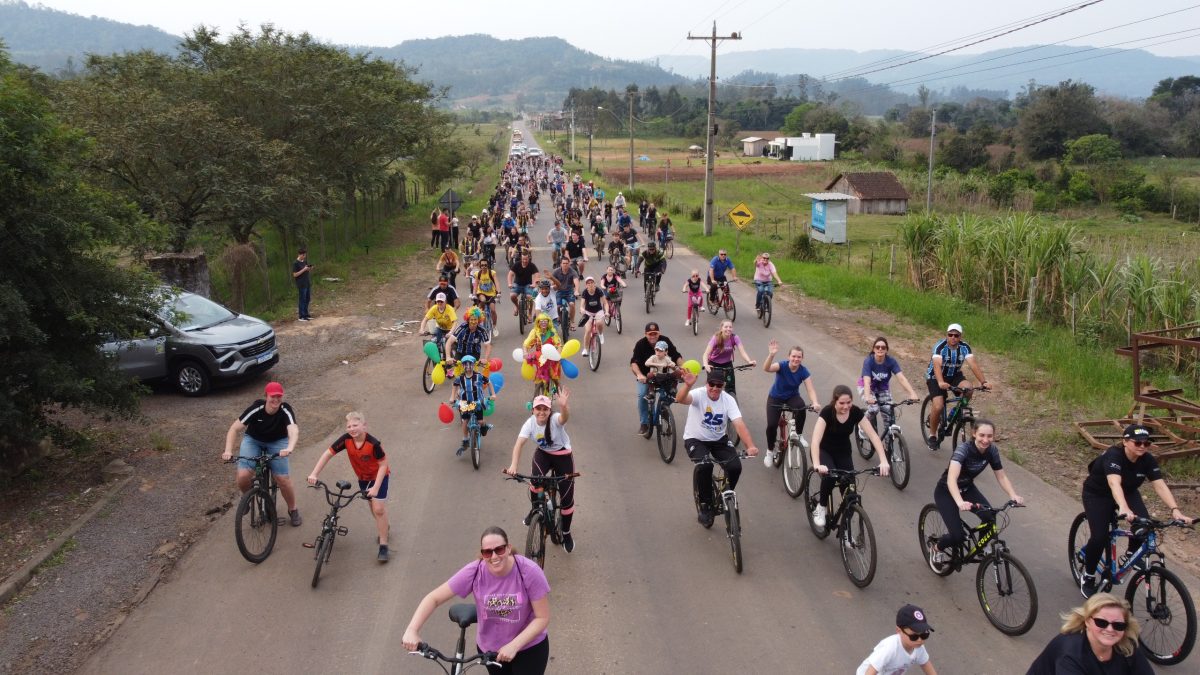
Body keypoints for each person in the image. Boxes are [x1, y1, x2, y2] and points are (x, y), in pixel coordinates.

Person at [402, 526, 551, 674]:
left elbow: (542, 618)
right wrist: (412, 630)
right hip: (492, 651)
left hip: (529, 648)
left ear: (508, 548)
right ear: (482, 554)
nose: (494, 557)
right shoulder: (474, 572)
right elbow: (433, 598)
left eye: (499, 549)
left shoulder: (528, 571)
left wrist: (514, 645)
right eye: (487, 552)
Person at [1078, 423, 1194, 597]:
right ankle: (1088, 576)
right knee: (1100, 536)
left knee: (1144, 526)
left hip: (1128, 491)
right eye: (1137, 443)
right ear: (1125, 441)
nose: (1142, 447)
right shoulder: (1114, 455)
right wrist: (1123, 508)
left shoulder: (1147, 459)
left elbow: (1160, 485)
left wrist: (1175, 510)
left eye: (1146, 443)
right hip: (1098, 494)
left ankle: (1131, 555)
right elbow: (1113, 483)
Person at [928, 419, 1024, 570]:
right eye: (982, 435)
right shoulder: (963, 450)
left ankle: (981, 549)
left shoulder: (992, 451)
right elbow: (951, 479)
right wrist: (959, 502)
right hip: (946, 491)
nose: (986, 440)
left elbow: (1001, 476)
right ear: (974, 434)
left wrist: (1013, 495)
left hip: (967, 488)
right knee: (957, 536)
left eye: (989, 436)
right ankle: (937, 549)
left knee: (989, 517)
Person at [675, 368, 759, 527]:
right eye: (711, 384)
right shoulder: (698, 394)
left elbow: (739, 424)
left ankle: (724, 495)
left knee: (735, 466)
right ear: (707, 384)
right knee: (705, 465)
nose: (714, 388)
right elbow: (680, 399)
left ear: (723, 386)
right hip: (695, 439)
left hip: (718, 439)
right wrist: (687, 386)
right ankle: (706, 505)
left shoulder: (728, 400)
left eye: (718, 385)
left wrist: (751, 446)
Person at [306, 411, 391, 562]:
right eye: (349, 426)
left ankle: (383, 545)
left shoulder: (373, 444)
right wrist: (314, 474)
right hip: (363, 479)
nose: (352, 429)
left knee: (378, 509)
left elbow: (383, 464)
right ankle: (384, 524)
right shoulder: (346, 440)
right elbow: (328, 454)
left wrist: (376, 487)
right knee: (373, 507)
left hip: (379, 477)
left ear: (364, 426)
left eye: (355, 425)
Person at [505, 390, 577, 553]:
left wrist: (564, 407)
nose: (541, 412)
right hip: (543, 454)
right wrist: (513, 466)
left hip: (562, 456)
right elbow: (518, 445)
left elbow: (564, 418)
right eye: (538, 408)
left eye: (545, 409)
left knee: (567, 499)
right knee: (535, 481)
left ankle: (566, 533)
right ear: (533, 410)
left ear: (550, 411)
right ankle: (535, 509)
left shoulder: (555, 420)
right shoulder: (529, 423)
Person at [221, 382, 301, 526]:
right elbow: (234, 429)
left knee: (282, 478)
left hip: (278, 442)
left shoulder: (285, 409)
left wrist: (290, 447)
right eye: (272, 396)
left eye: (279, 396)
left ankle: (293, 509)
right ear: (266, 396)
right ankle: (247, 497)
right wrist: (228, 450)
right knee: (243, 476)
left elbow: (293, 430)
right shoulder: (256, 408)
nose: (276, 400)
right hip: (254, 440)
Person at [809, 385, 889, 528]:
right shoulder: (827, 412)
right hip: (824, 451)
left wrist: (883, 461)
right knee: (831, 476)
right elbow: (815, 441)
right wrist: (816, 464)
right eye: (842, 403)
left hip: (843, 452)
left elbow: (873, 436)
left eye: (849, 402)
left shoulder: (855, 412)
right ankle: (821, 507)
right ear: (834, 401)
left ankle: (846, 531)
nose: (846, 406)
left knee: (851, 495)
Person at [1026, 593, 1153, 674]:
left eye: (1118, 625)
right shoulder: (1071, 654)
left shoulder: (1126, 646)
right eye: (1101, 622)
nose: (1110, 629)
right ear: (1087, 621)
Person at [924, 323, 989, 450]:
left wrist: (983, 382)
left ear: (960, 336)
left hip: (954, 375)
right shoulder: (940, 347)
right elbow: (937, 365)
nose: (953, 337)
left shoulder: (965, 348)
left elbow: (973, 365)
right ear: (946, 335)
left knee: (969, 389)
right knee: (938, 405)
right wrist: (941, 382)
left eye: (956, 335)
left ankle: (954, 413)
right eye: (950, 335)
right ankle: (932, 435)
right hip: (935, 377)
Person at [763, 340, 820, 467]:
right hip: (775, 397)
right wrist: (771, 355)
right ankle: (769, 451)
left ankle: (798, 435)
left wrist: (815, 402)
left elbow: (810, 389)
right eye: (793, 356)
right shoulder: (782, 365)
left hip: (792, 397)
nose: (796, 359)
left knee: (801, 408)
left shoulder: (803, 371)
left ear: (802, 358)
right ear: (789, 356)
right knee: (772, 425)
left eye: (799, 357)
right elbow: (766, 368)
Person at [630, 322, 684, 437]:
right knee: (642, 395)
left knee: (670, 395)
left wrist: (683, 368)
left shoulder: (665, 341)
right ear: (646, 334)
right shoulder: (640, 344)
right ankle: (644, 423)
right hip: (647, 377)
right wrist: (640, 375)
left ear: (659, 333)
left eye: (655, 333)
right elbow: (634, 363)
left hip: (664, 377)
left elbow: (676, 356)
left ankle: (663, 412)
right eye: (650, 334)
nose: (653, 336)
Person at [859, 337, 920, 436]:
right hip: (867, 388)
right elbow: (867, 381)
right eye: (877, 347)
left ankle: (888, 448)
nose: (880, 349)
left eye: (883, 347)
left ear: (886, 350)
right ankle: (862, 424)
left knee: (889, 415)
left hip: (882, 388)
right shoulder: (869, 361)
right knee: (874, 409)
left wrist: (912, 393)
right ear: (874, 349)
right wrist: (868, 396)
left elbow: (901, 378)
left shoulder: (891, 361)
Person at [856, 604, 938, 675]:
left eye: (924, 635)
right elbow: (871, 670)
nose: (920, 640)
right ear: (899, 631)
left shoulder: (918, 647)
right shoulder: (890, 648)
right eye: (914, 636)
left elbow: (926, 665)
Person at [449, 355, 495, 457]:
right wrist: (452, 397)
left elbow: (489, 382)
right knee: (464, 421)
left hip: (477, 402)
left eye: (470, 364)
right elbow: (454, 386)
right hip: (465, 403)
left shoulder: (479, 376)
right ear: (463, 366)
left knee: (480, 421)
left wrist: (493, 394)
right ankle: (465, 439)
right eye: (465, 364)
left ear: (473, 365)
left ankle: (484, 426)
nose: (468, 366)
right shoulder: (460, 378)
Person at [701, 321, 756, 397]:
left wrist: (749, 361)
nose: (728, 329)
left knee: (730, 387)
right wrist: (706, 364)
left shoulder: (734, 338)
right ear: (721, 329)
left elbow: (742, 352)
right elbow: (706, 354)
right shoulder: (716, 338)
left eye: (730, 327)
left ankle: (731, 403)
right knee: (713, 386)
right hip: (713, 364)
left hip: (727, 364)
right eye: (726, 327)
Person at [549, 256, 580, 329]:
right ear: (561, 264)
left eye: (567, 263)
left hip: (569, 292)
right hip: (559, 291)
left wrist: (576, 290)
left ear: (569, 264)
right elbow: (552, 281)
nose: (565, 265)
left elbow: (576, 281)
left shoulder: (573, 271)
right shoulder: (556, 271)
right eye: (563, 263)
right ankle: (559, 317)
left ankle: (572, 321)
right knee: (558, 306)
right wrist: (552, 286)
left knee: (572, 305)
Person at [576, 277, 606, 355]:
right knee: (588, 330)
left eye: (592, 283)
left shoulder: (599, 291)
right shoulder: (585, 292)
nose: (590, 284)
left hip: (598, 311)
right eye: (588, 283)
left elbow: (605, 303)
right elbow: (582, 305)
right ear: (586, 285)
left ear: (594, 284)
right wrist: (582, 309)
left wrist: (607, 312)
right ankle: (585, 349)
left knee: (599, 323)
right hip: (588, 312)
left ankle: (601, 334)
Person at [508, 251, 540, 317]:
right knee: (512, 296)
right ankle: (517, 307)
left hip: (527, 285)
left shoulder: (532, 265)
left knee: (530, 297)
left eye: (526, 259)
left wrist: (534, 283)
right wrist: (510, 283)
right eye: (523, 259)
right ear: (521, 258)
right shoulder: (517, 264)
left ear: (529, 258)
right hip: (517, 284)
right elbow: (510, 274)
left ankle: (530, 313)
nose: (525, 261)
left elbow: (537, 275)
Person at [473, 258, 500, 337]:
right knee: (482, 301)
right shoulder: (477, 274)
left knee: (493, 310)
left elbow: (497, 282)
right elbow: (475, 285)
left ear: (488, 266)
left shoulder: (492, 273)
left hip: (491, 294)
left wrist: (499, 292)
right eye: (482, 265)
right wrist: (474, 294)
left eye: (485, 265)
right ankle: (478, 321)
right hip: (481, 293)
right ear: (480, 266)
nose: (484, 267)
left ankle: (494, 326)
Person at [292, 248, 313, 321]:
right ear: (299, 255)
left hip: (307, 282)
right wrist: (304, 269)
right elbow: (295, 275)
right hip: (301, 284)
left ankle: (306, 314)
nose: (304, 256)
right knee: (302, 299)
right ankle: (301, 316)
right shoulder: (295, 263)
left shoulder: (305, 261)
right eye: (303, 255)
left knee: (307, 299)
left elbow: (306, 270)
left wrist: (309, 269)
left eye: (305, 255)